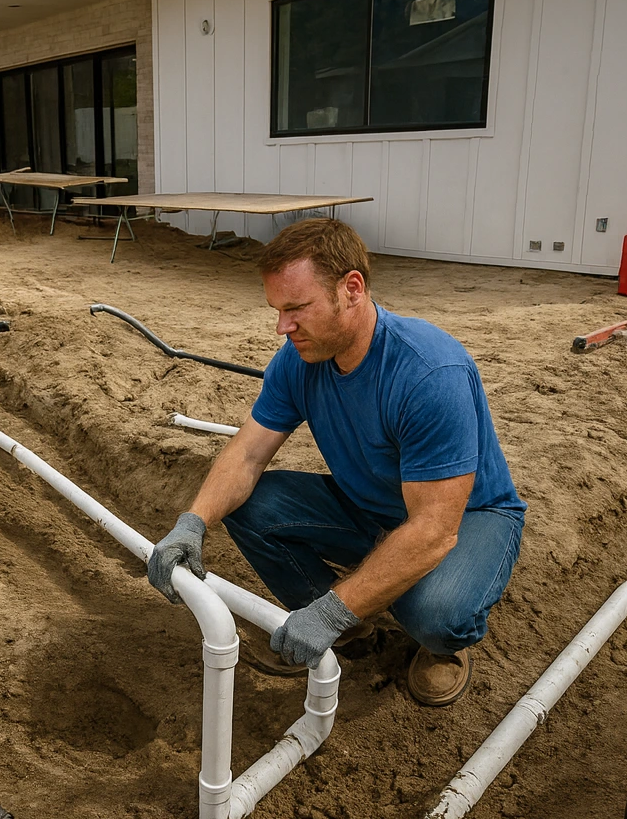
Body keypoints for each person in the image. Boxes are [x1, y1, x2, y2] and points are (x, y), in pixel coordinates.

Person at [147, 218, 525, 706]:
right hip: (371, 506)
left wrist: (331, 610)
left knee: (433, 611)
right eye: (277, 310)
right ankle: (351, 628)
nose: (283, 326)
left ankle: (441, 646)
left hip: (468, 516)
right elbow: (246, 452)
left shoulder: (428, 372)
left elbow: (434, 528)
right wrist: (192, 522)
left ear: (351, 289)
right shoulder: (299, 360)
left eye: (297, 308)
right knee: (249, 506)